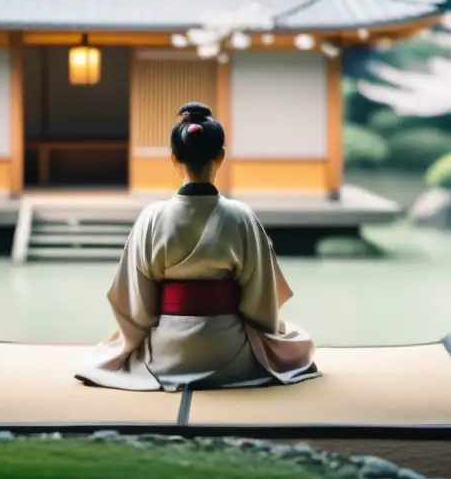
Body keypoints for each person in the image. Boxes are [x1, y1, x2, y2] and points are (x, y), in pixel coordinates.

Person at [75, 101, 320, 391]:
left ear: (174, 158)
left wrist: (142, 333)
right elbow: (261, 301)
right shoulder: (241, 217)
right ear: (221, 156)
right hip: (230, 352)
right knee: (298, 341)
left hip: (166, 353)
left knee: (104, 353)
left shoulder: (152, 217)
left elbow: (136, 305)